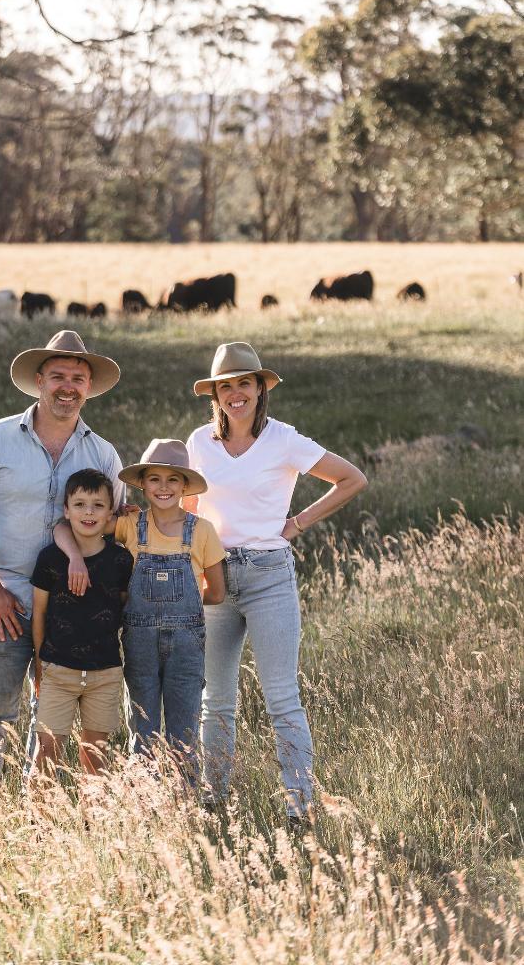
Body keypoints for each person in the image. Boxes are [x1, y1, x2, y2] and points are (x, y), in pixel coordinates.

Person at [185, 341, 368, 823]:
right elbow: (189, 509)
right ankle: (214, 800)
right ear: (216, 394)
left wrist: (300, 521)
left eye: (244, 383)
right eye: (226, 386)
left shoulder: (284, 440)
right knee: (216, 700)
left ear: (260, 388)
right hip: (215, 576)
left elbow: (351, 479)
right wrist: (188, 565)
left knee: (282, 697)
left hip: (269, 575)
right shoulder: (199, 442)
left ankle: (300, 805)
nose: (236, 394)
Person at [0, 330, 123, 794]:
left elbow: (116, 526)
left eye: (78, 378)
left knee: (49, 716)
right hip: (8, 597)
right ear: (40, 381)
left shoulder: (102, 454)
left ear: (88, 387)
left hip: (74, 604)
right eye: (59, 377)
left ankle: (37, 813)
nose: (68, 387)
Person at [56, 440, 226, 778]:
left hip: (186, 646)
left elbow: (217, 593)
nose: (163, 488)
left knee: (185, 735)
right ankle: (147, 813)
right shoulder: (131, 526)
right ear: (143, 483)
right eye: (154, 480)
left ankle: (184, 812)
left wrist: (185, 611)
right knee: (143, 734)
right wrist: (80, 551)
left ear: (184, 485)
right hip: (140, 644)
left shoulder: (202, 530)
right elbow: (69, 525)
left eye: (173, 480)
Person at [31, 469, 133, 776]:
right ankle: (41, 823)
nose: (88, 512)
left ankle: (96, 823)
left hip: (105, 672)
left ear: (110, 513)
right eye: (80, 504)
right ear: (66, 510)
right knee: (47, 753)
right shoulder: (50, 558)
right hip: (58, 670)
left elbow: (125, 609)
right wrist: (39, 665)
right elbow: (39, 613)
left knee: (95, 758)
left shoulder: (121, 560)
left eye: (98, 505)